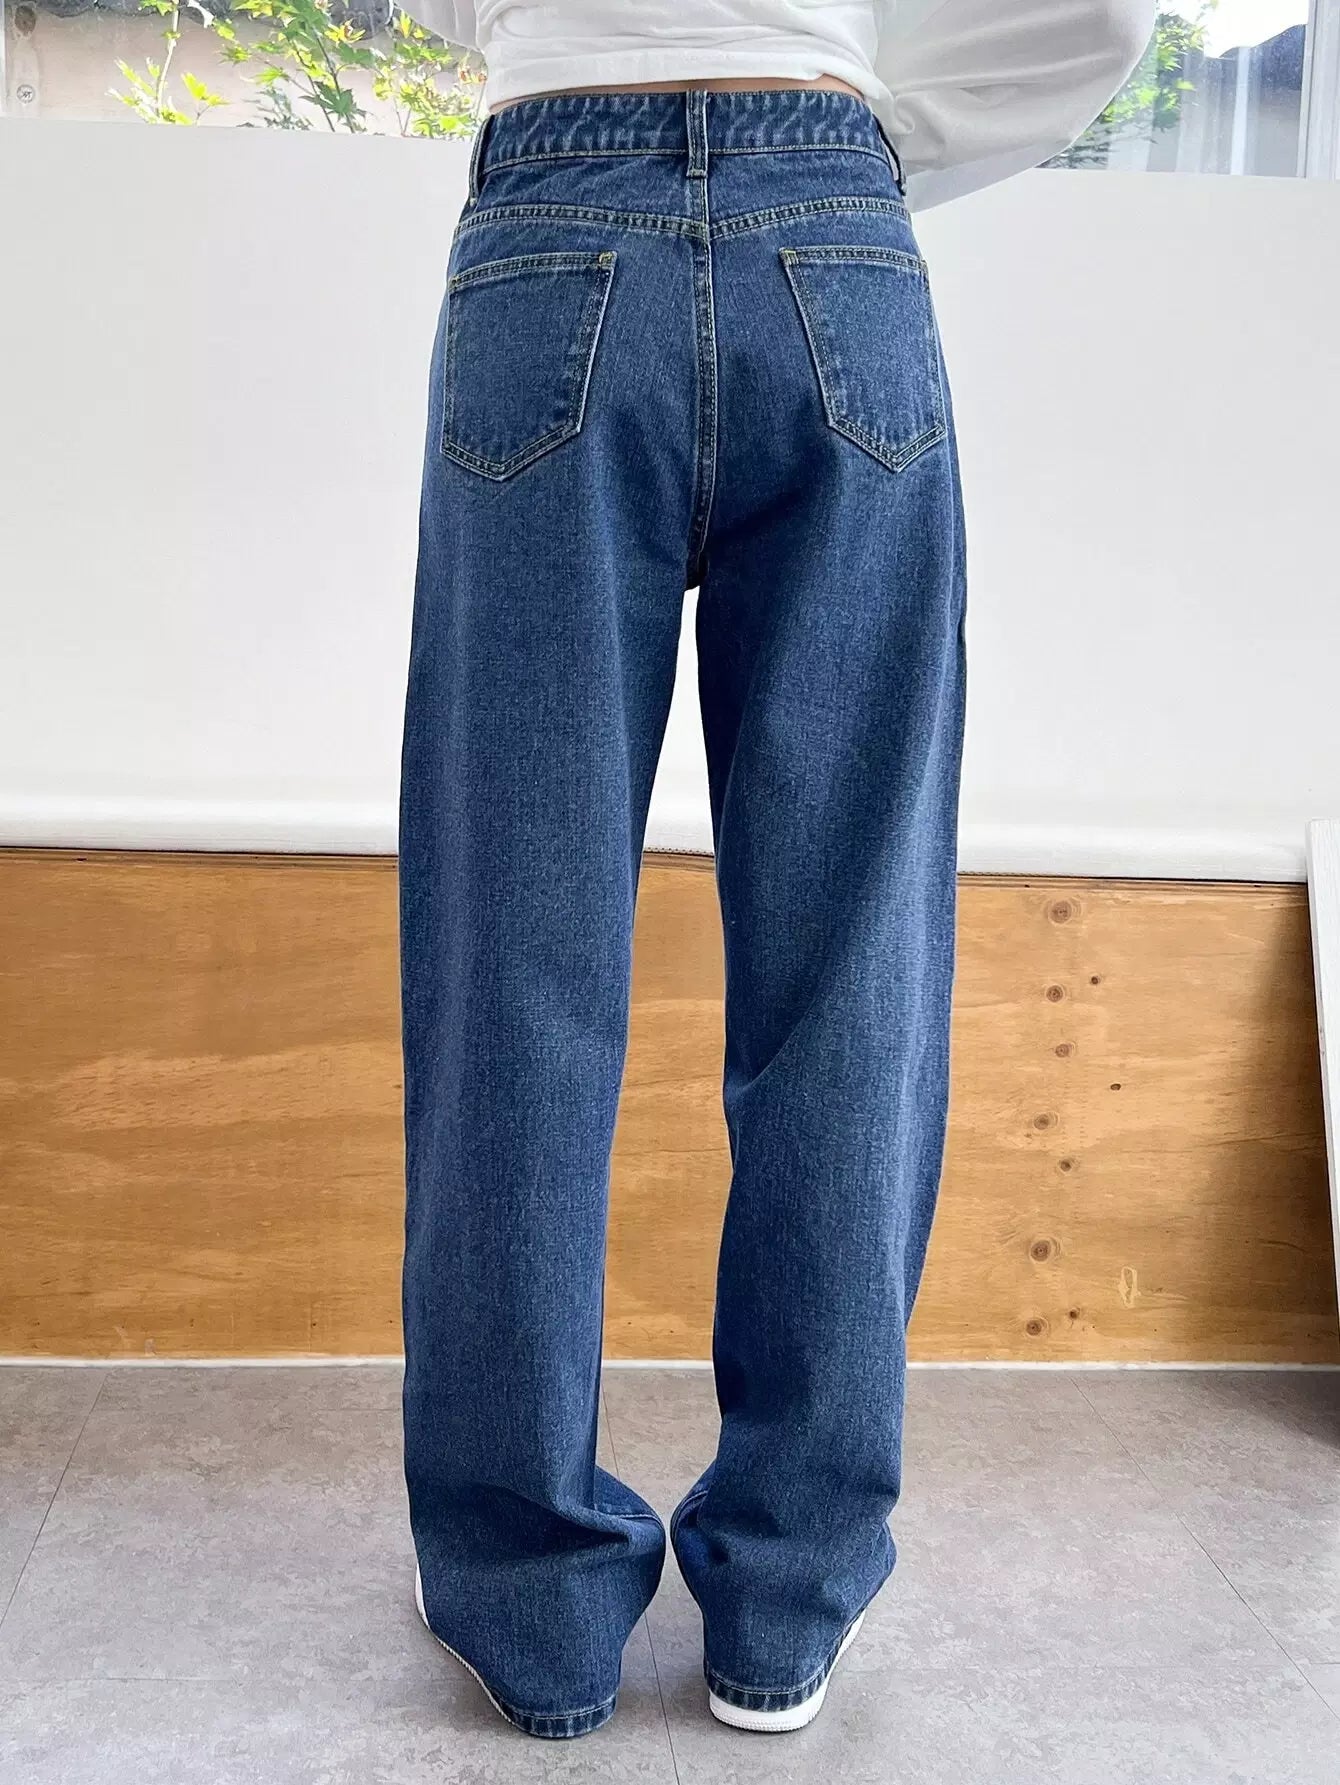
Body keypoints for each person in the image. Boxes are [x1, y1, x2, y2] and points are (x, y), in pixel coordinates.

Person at [396, 0, 1153, 1742]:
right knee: (852, 964)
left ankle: (532, 1606)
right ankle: (787, 1596)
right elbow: (1105, 16)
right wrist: (864, 139)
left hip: (550, 227)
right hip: (835, 234)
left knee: (511, 959)